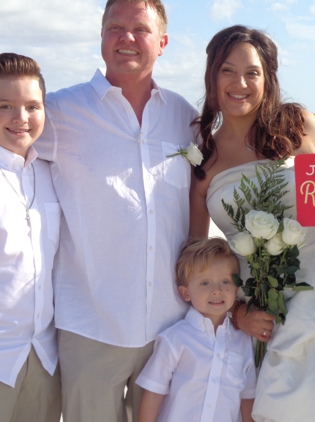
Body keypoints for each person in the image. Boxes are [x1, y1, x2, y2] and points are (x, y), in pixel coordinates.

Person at [189, 25, 315, 422]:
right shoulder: (203, 158)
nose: (240, 83)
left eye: (253, 72)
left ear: (269, 77)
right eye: (227, 70)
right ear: (211, 76)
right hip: (267, 315)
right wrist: (237, 313)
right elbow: (198, 257)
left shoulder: (299, 124)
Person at [34, 0, 198, 420]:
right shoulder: (58, 111)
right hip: (90, 324)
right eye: (114, 27)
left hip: (170, 325)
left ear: (162, 43)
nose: (126, 38)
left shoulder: (186, 117)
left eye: (140, 29)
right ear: (101, 36)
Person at [0, 53, 61, 422]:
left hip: (43, 357)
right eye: (5, 106)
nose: (20, 118)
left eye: (32, 106)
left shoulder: (52, 171)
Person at [136, 238, 256, 422]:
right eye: (205, 283)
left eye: (225, 281)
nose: (217, 290)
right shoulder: (175, 338)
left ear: (236, 287)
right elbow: (154, 391)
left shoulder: (243, 341)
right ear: (185, 293)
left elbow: (247, 395)